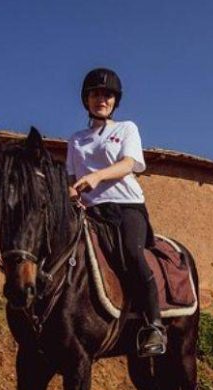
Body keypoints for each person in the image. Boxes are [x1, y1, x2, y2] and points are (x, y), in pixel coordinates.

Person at [66, 67, 166, 357]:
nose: (102, 99)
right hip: (92, 212)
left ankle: (154, 325)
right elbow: (73, 181)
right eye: (96, 94)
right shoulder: (76, 140)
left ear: (114, 101)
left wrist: (97, 177)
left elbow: (128, 164)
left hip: (126, 207)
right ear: (87, 99)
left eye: (108, 95)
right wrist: (69, 196)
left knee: (133, 255)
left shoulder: (126, 129)